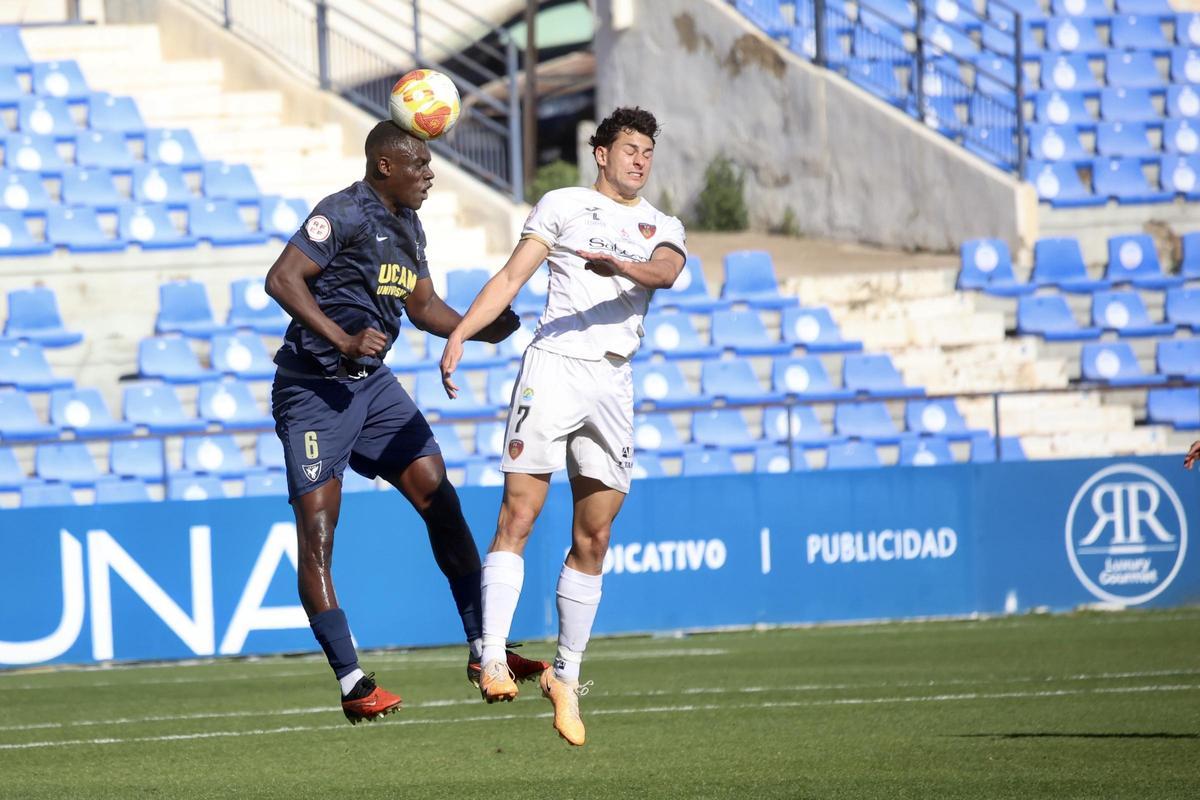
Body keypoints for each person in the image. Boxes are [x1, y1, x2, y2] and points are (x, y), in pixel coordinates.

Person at [264, 119, 546, 725]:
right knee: (317, 534)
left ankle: (483, 649)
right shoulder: (340, 212)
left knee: (440, 498)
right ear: (384, 166)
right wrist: (341, 338)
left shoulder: (408, 225)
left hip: (374, 393)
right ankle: (352, 681)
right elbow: (281, 278)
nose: (429, 174)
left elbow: (421, 308)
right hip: (313, 393)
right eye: (418, 165)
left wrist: (478, 324)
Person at [439, 107, 686, 746]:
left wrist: (619, 267)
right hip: (552, 367)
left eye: (647, 152)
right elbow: (513, 276)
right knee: (517, 515)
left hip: (613, 379)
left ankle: (564, 676)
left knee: (595, 535)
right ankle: (492, 655)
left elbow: (665, 272)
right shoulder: (563, 204)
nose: (639, 160)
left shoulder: (662, 224)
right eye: (629, 148)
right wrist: (462, 332)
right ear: (600, 152)